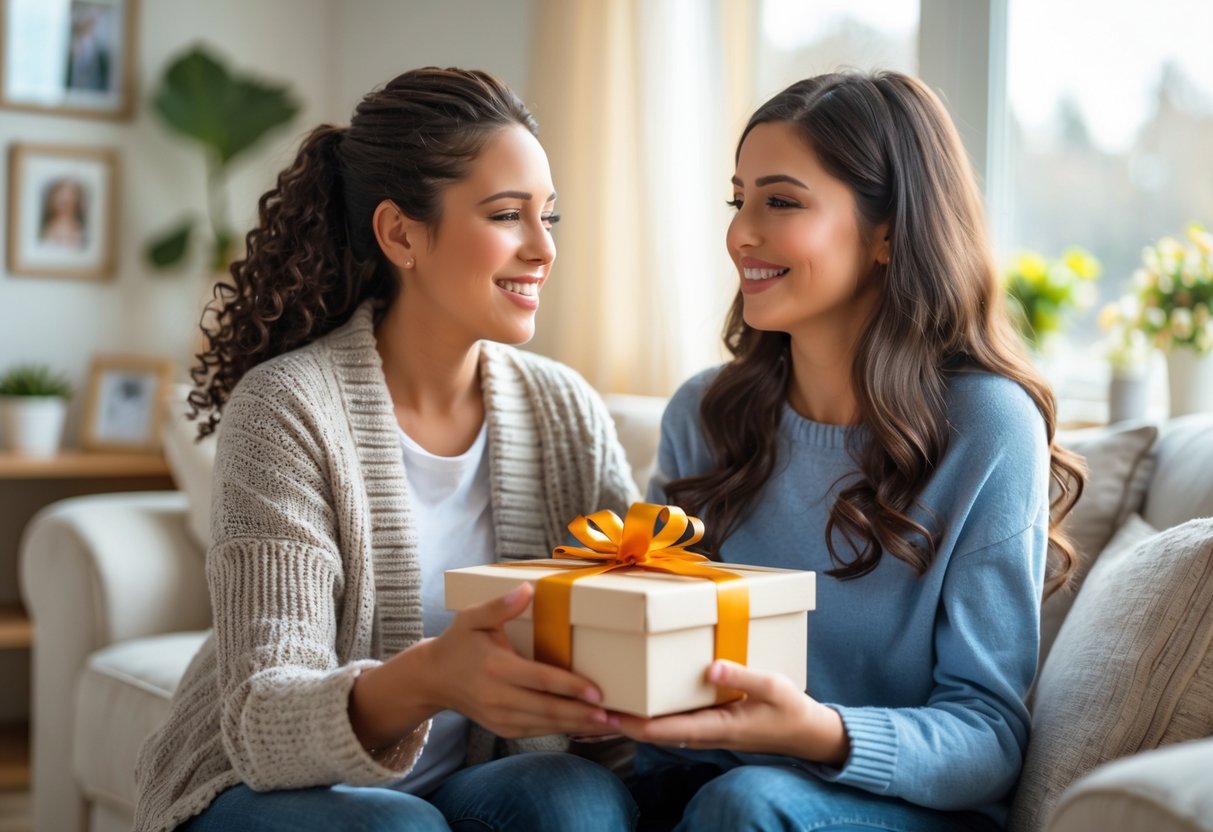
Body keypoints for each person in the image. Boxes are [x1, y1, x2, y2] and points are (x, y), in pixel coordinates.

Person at [133, 67, 640, 832]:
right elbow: (261, 718)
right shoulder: (286, 408)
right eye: (507, 215)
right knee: (394, 829)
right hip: (262, 786)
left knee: (574, 799)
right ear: (401, 233)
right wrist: (432, 677)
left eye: (549, 217)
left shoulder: (564, 409)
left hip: (470, 783)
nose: (542, 249)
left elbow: (622, 620)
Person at [611, 70, 1085, 831]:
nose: (740, 233)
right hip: (700, 786)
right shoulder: (703, 412)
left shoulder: (987, 427)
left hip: (887, 803)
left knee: (746, 802)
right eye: (739, 199)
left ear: (889, 233)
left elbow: (987, 735)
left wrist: (815, 732)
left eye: (781, 201)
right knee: (546, 792)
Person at [38, 177, 87, 248]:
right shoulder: (44, 230)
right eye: (61, 195)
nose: (66, 199)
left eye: (71, 195)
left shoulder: (82, 231)